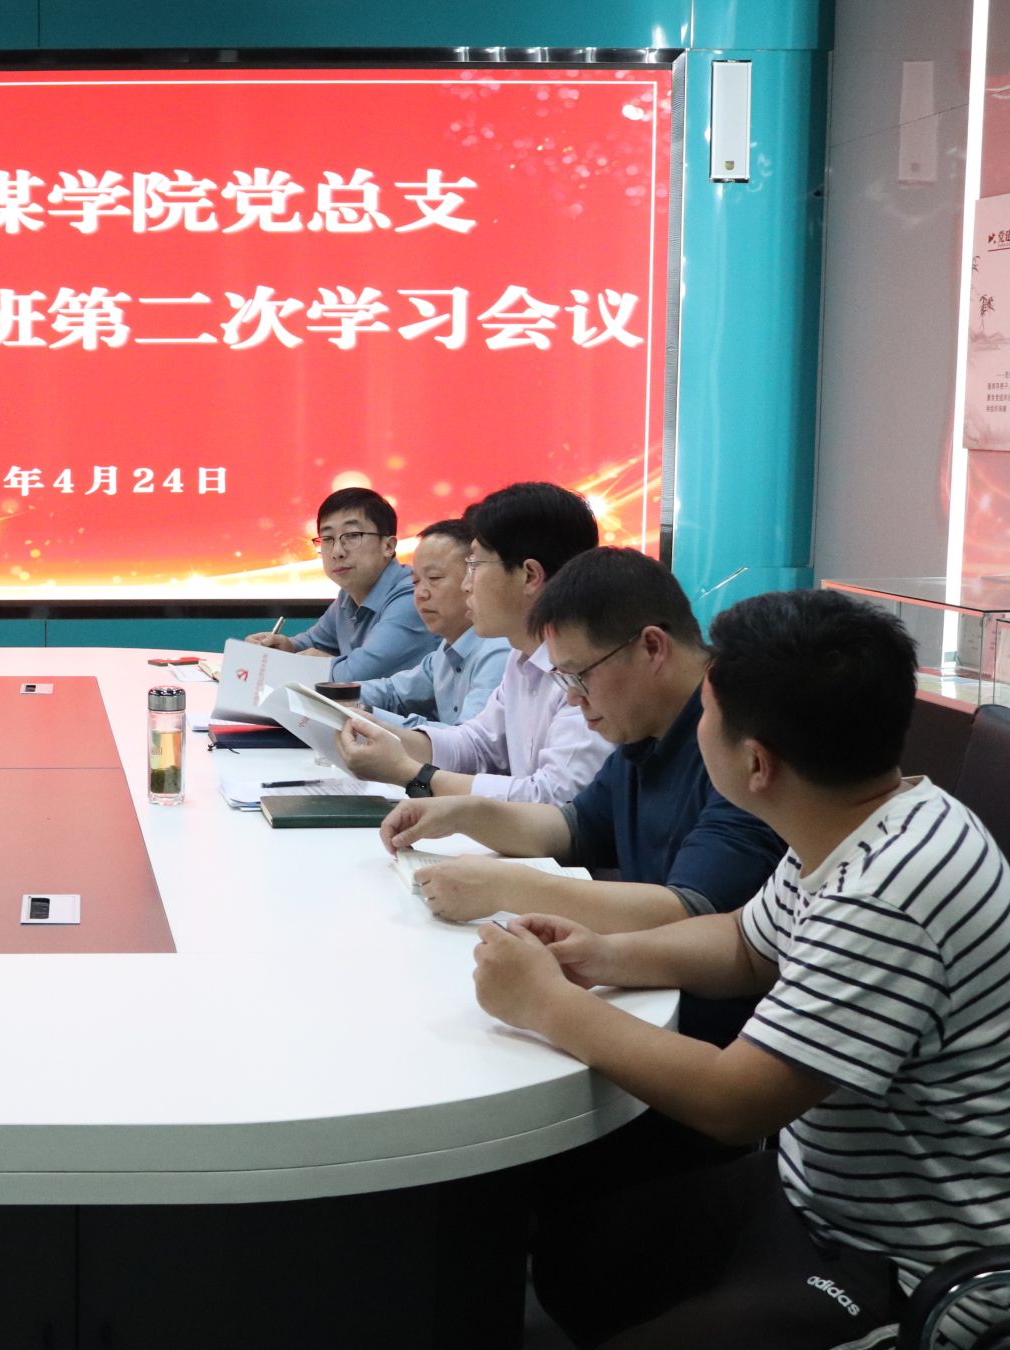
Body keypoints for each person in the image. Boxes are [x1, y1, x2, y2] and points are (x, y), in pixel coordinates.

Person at [473, 589, 1010, 1349]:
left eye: (706, 714)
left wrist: (547, 1005)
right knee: (576, 1254)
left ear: (757, 763)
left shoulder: (888, 893)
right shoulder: (857, 814)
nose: (697, 729)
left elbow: (735, 1101)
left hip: (901, 1262)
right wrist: (597, 954)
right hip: (811, 1190)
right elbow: (748, 944)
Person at [377, 547, 785, 1047]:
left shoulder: (737, 740)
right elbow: (577, 827)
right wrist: (465, 813)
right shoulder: (645, 727)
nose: (571, 697)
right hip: (641, 1001)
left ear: (652, 647)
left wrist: (506, 886)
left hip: (702, 1034)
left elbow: (694, 914)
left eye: (579, 675)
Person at [337, 480, 611, 803]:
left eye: (474, 566)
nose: (467, 585)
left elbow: (554, 799)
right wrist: (383, 734)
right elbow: (476, 744)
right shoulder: (522, 657)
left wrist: (410, 773)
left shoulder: (589, 669)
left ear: (530, 576)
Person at [244, 486, 437, 681]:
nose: (337, 551)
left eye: (352, 536)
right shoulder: (349, 594)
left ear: (388, 546)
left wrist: (316, 665)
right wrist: (283, 647)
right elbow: (312, 642)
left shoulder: (411, 596)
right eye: (327, 539)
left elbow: (357, 676)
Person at [354, 518, 509, 728]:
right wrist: (332, 694)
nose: (420, 594)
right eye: (415, 581)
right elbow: (393, 692)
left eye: (434, 578)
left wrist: (367, 716)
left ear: (473, 579)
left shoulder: (498, 650)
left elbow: (467, 739)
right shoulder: (445, 652)